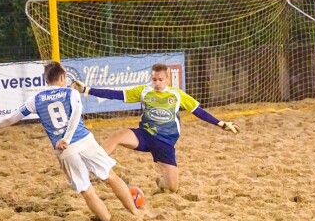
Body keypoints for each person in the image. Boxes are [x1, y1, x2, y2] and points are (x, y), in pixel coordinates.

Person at [0, 61, 141, 221]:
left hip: (65, 151)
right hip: (84, 141)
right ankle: (135, 213)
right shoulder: (71, 93)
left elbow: (11, 118)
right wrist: (67, 138)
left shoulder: (36, 99)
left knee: (87, 191)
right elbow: (76, 114)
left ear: (47, 80)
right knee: (111, 177)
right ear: (62, 77)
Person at [71, 63, 240, 193]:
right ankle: (91, 166)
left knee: (172, 188)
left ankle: (160, 182)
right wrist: (87, 89)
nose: (157, 83)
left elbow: (198, 111)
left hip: (165, 143)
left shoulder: (177, 95)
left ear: (167, 79)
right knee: (119, 136)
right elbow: (116, 94)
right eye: (154, 79)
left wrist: (222, 124)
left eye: (160, 80)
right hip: (144, 135)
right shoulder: (144, 91)